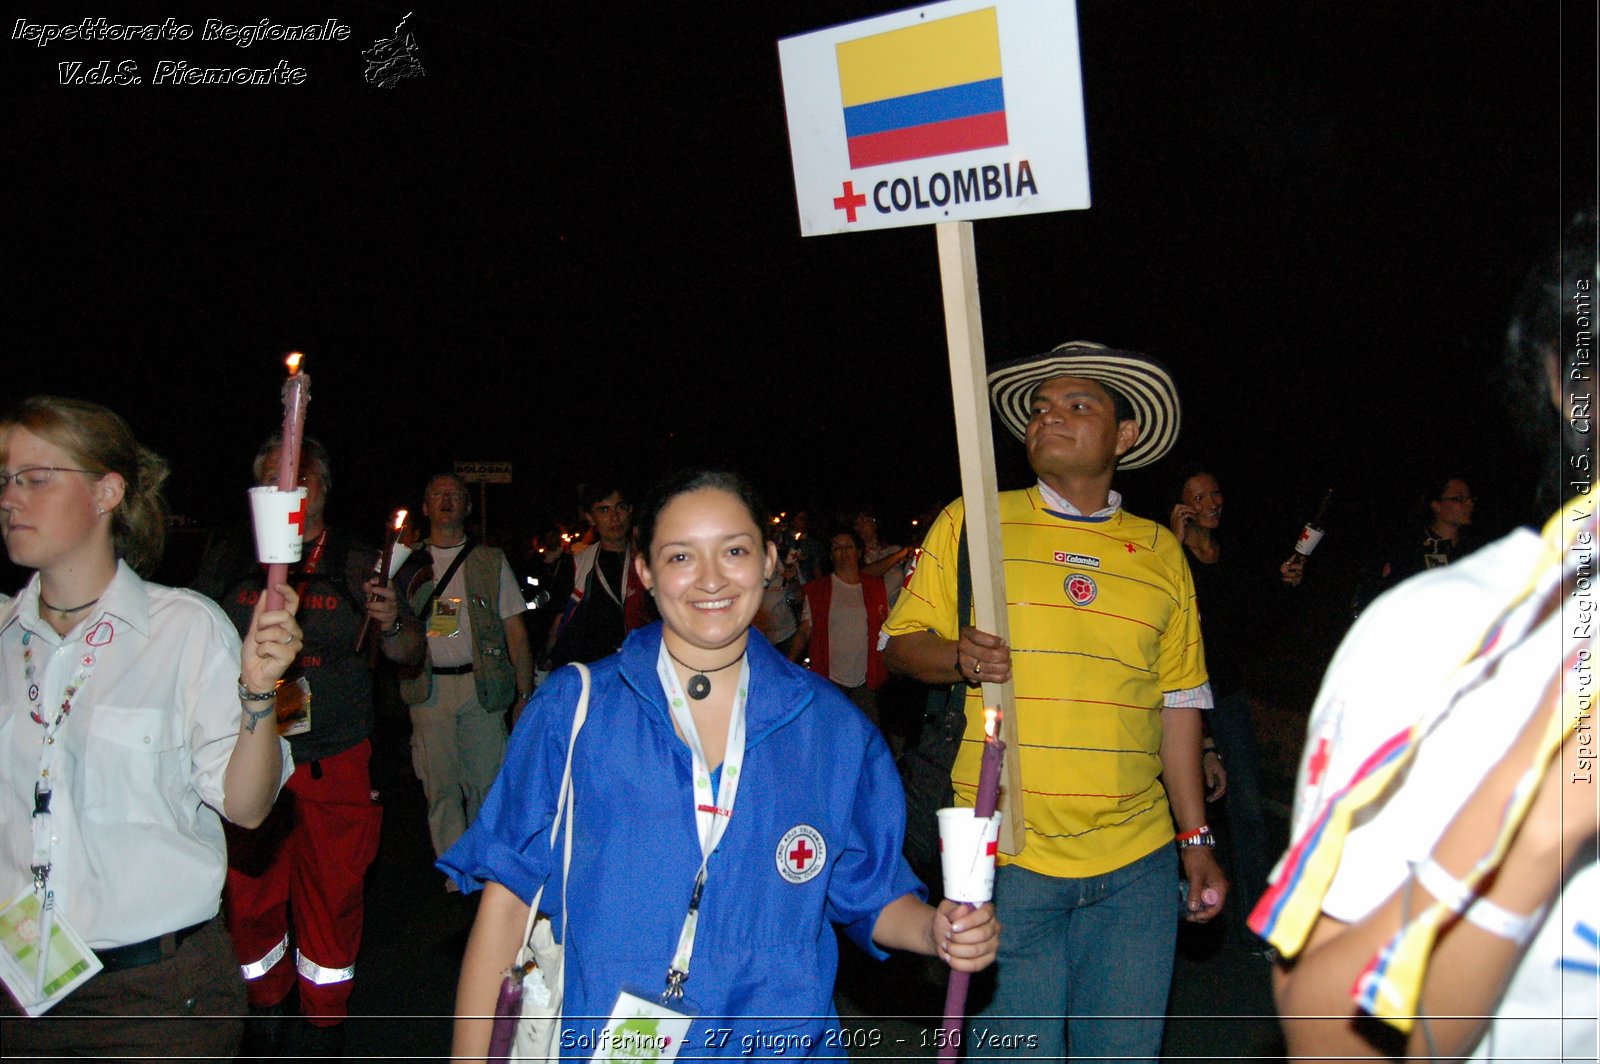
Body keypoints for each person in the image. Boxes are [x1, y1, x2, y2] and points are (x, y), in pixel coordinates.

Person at [443, 469, 999, 1059]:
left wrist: (934, 930)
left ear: (770, 561)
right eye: (681, 555)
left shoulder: (835, 731)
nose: (711, 578)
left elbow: (871, 891)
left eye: (734, 550)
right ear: (645, 572)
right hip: (618, 1041)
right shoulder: (576, 711)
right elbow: (505, 908)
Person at [1257, 219, 1596, 1060]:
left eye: (1464, 499)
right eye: (1449, 499)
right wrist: (1542, 816)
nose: (1461, 506)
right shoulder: (1443, 622)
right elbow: (1332, 1040)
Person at [883, 341, 1226, 1062]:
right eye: (1041, 409)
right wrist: (960, 655)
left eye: (1078, 406)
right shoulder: (976, 519)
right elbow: (902, 642)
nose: (1050, 419)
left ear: (1124, 436)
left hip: (1136, 870)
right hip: (1007, 859)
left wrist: (1195, 843)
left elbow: (1179, 706)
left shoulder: (1161, 553)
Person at [0, 397, 302, 1061]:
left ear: (107, 491)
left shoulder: (182, 629)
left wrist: (258, 691)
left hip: (153, 999)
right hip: (17, 989)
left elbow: (249, 809)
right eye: (5, 478)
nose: (11, 497)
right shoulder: (3, 637)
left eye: (36, 477)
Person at [193, 435, 424, 1057]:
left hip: (334, 752)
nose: (288, 488)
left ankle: (325, 1017)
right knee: (250, 893)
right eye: (274, 478)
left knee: (334, 891)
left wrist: (393, 621)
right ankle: (266, 1002)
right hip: (249, 748)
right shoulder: (228, 554)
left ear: (323, 487)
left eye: (300, 478)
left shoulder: (357, 557)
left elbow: (406, 654)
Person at [1168, 467, 1301, 941]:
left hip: (1226, 693)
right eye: (1199, 496)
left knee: (1246, 803)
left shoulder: (1231, 555)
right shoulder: (1170, 557)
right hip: (1179, 698)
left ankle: (1258, 919)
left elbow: (1255, 621)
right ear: (1182, 506)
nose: (1211, 502)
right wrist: (1173, 541)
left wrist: (1283, 584)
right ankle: (1172, 903)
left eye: (1215, 492)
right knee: (1176, 805)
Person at [399, 473, 534, 867]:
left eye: (454, 495)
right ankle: (455, 867)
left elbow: (516, 631)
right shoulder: (406, 561)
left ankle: (485, 862)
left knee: (486, 782)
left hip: (481, 687)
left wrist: (524, 695)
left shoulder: (489, 560)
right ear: (424, 507)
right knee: (439, 786)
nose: (446, 501)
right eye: (436, 494)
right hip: (429, 689)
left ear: (467, 506)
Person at [797, 529, 891, 736]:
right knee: (830, 735)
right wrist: (786, 661)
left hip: (867, 680)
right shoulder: (818, 590)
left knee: (868, 736)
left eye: (847, 547)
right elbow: (805, 629)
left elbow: (887, 626)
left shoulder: (875, 587)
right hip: (830, 679)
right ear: (831, 555)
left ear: (858, 551)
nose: (843, 552)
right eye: (837, 548)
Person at [544, 484, 647, 670]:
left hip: (640, 667)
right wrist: (545, 669)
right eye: (604, 510)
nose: (614, 517)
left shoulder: (650, 562)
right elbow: (559, 623)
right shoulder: (577, 565)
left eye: (620, 507)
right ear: (591, 518)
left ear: (630, 510)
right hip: (591, 673)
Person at [1351, 473, 1478, 616]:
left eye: (1470, 498)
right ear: (1436, 505)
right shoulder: (1408, 548)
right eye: (1459, 499)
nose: (1469, 503)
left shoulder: (1474, 550)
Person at [854, 508, 914, 608]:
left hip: (897, 613)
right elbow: (864, 574)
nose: (861, 527)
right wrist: (897, 556)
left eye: (866, 521)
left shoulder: (894, 550)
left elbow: (913, 576)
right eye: (857, 523)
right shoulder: (855, 556)